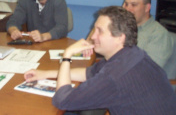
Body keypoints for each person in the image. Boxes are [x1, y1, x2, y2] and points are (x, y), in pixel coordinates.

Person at [24, 6, 176, 114]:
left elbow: (62, 100)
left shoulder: (115, 75)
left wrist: (67, 56)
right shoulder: (131, 55)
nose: (93, 36)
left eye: (100, 31)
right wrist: (44, 73)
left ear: (119, 38)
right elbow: (88, 72)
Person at [123, 0, 173, 68]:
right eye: (126, 4)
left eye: (134, 5)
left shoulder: (159, 34)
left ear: (147, 8)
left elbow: (148, 70)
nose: (128, 9)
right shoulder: (122, 28)